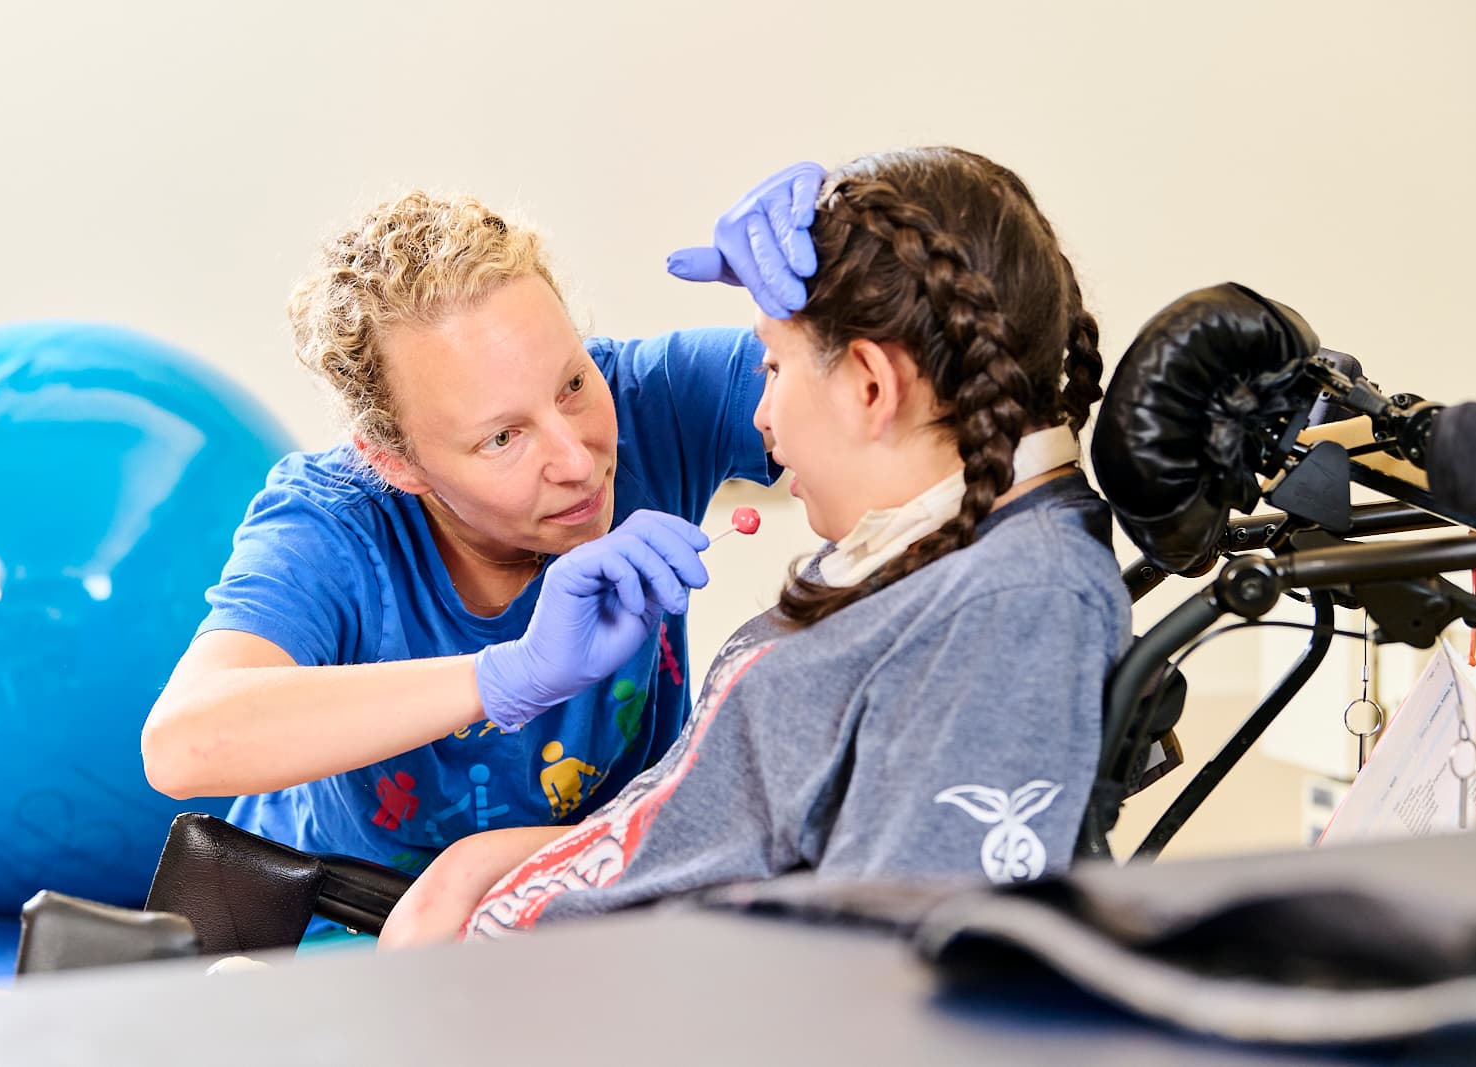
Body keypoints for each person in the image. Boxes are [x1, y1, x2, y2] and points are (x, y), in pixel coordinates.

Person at [375, 146, 1133, 948]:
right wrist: (490, 864)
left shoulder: (1010, 608)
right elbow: (732, 836)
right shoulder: (943, 557)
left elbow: (891, 967)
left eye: (773, 366)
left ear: (873, 387)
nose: (761, 416)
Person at [137, 188, 784, 919]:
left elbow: (890, 394)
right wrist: (506, 675)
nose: (578, 460)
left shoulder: (651, 401)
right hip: (337, 931)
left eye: (572, 383)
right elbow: (183, 744)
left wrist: (836, 285)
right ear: (395, 463)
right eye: (502, 438)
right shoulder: (334, 521)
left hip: (575, 915)